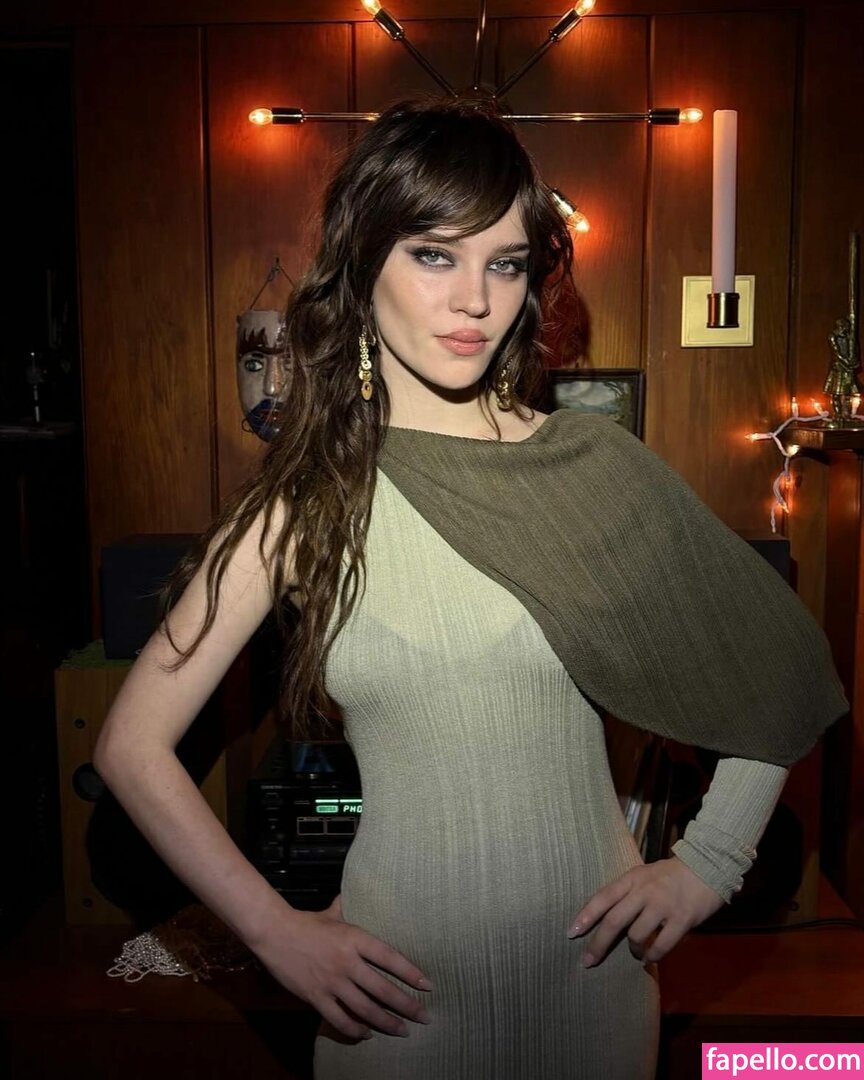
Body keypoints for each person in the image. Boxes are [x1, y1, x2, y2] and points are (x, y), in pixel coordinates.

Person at [94, 96, 847, 1079]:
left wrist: (711, 861)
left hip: (594, 999)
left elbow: (779, 670)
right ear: (364, 263)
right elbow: (131, 746)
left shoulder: (593, 470)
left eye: (504, 263)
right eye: (434, 255)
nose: (474, 301)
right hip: (396, 1015)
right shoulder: (308, 502)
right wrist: (275, 933)